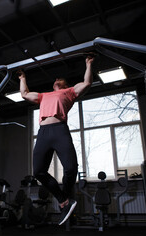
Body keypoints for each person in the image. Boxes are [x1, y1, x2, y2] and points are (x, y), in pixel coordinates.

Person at [18, 56, 95, 225]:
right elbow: (24, 94)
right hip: (44, 132)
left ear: (66, 85)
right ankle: (64, 201)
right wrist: (23, 78)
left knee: (71, 168)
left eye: (60, 79)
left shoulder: (69, 92)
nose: (56, 80)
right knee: (38, 171)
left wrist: (88, 64)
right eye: (55, 79)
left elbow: (87, 83)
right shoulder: (43, 95)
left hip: (60, 130)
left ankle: (66, 198)